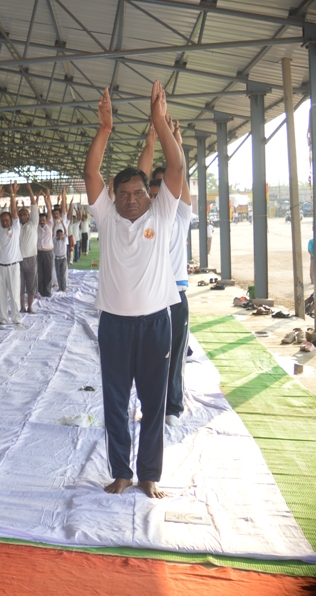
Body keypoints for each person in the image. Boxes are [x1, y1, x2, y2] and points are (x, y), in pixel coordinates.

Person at [85, 82, 184, 499]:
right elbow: (91, 173)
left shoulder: (162, 214)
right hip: (114, 326)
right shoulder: (106, 220)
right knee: (114, 402)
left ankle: (149, 474)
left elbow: (176, 170)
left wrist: (160, 122)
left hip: (155, 324)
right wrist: (104, 129)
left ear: (149, 195)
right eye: (122, 193)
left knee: (153, 402)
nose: (129, 200)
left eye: (137, 193)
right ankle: (121, 472)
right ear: (114, 197)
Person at [140, 118, 193, 428]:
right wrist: (150, 145)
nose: (160, 190)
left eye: (165, 184)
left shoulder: (181, 212)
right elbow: (141, 177)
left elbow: (179, 171)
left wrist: (177, 145)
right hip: (150, 294)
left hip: (176, 294)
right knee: (149, 357)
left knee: (174, 355)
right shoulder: (147, 215)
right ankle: (153, 403)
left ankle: (172, 404)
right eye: (155, 186)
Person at [0, 182, 23, 328]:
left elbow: (14, 210)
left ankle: (16, 318)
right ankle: (3, 318)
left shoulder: (16, 227)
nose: (5, 222)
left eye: (7, 220)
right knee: (1, 294)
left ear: (11, 220)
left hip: (13, 266)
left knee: (14, 293)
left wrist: (12, 194)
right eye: (3, 220)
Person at [18, 184, 39, 314]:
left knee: (31, 285)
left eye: (24, 214)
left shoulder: (33, 223)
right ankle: (22, 307)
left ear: (29, 215)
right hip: (19, 259)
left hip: (31, 258)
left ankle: (30, 306)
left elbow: (33, 204)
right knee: (20, 286)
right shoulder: (16, 226)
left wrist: (30, 190)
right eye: (20, 214)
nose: (22, 216)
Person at [36, 189, 55, 299]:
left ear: (47, 220)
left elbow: (49, 210)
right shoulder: (36, 226)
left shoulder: (50, 225)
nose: (42, 221)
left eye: (44, 219)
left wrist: (46, 198)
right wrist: (38, 198)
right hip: (38, 252)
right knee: (39, 273)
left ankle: (47, 292)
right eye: (40, 219)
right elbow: (34, 212)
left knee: (48, 273)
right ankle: (40, 291)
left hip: (48, 252)